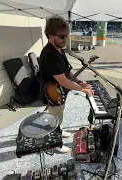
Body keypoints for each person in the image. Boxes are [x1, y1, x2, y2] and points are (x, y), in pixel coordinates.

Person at [39, 16, 94, 153]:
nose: (65, 40)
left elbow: (68, 71)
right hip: (52, 92)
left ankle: (59, 130)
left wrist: (80, 81)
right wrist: (82, 89)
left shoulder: (59, 49)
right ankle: (55, 143)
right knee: (54, 116)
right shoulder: (49, 55)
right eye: (61, 37)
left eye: (67, 36)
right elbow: (63, 80)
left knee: (59, 114)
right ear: (50, 35)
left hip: (59, 90)